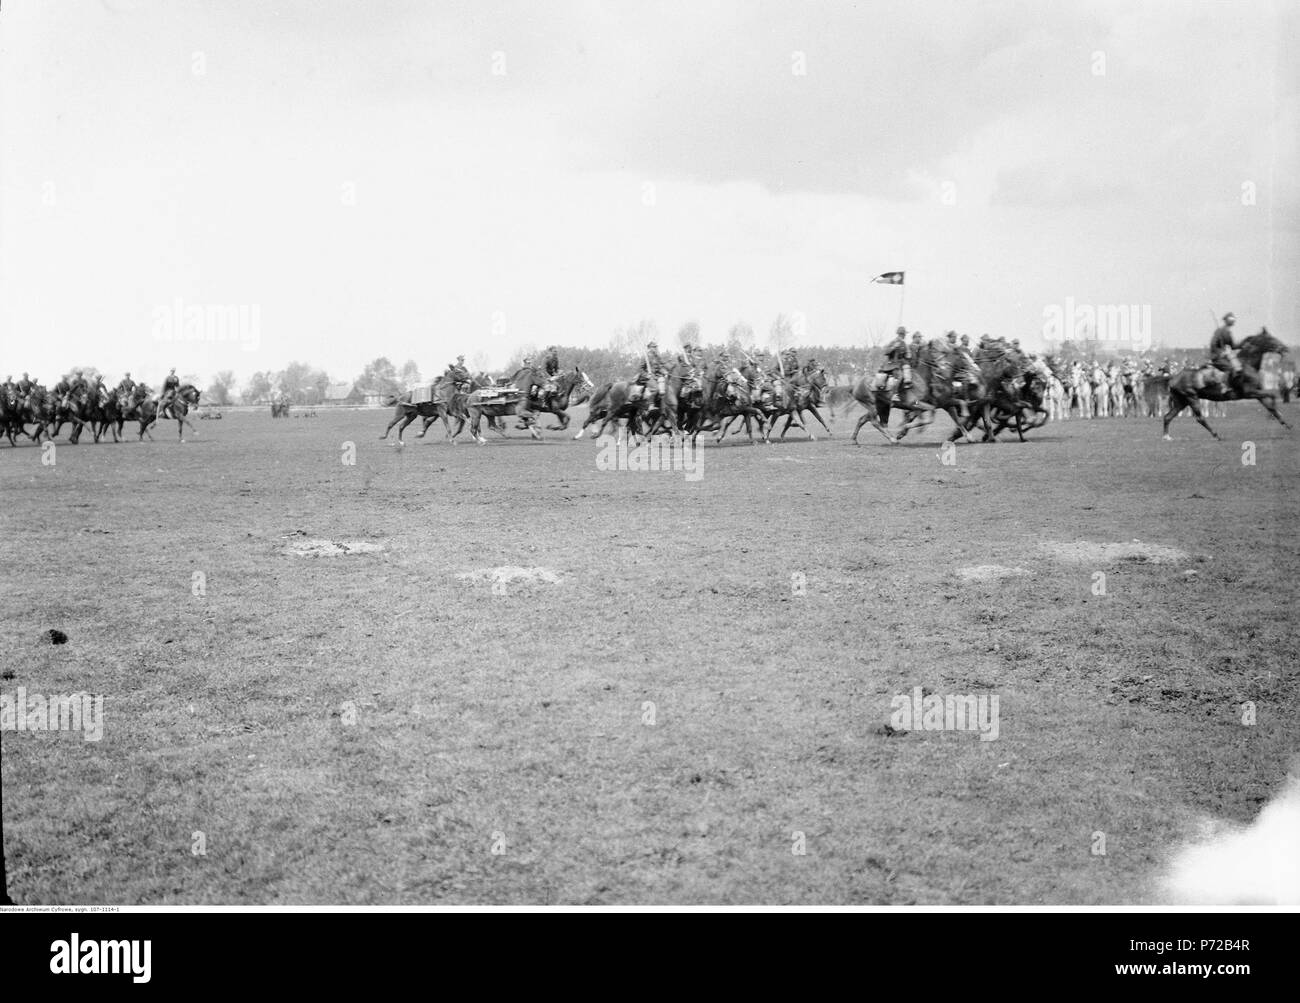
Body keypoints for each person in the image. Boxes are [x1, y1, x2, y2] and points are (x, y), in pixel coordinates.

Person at [873, 326, 911, 395]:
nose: (904, 335)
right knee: (900, 376)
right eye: (904, 334)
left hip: (900, 364)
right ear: (901, 334)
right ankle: (895, 394)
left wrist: (908, 353)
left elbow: (907, 356)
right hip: (891, 365)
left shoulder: (904, 343)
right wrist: (894, 347)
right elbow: (886, 352)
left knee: (907, 374)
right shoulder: (893, 342)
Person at [1209, 312, 1241, 390]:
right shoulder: (1219, 331)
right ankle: (1225, 385)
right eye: (1231, 319)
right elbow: (1213, 344)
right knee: (1230, 368)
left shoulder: (1228, 332)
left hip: (1225, 356)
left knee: (1238, 366)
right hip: (1217, 357)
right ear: (1227, 321)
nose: (1232, 321)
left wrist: (1243, 344)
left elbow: (1233, 346)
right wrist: (1220, 352)